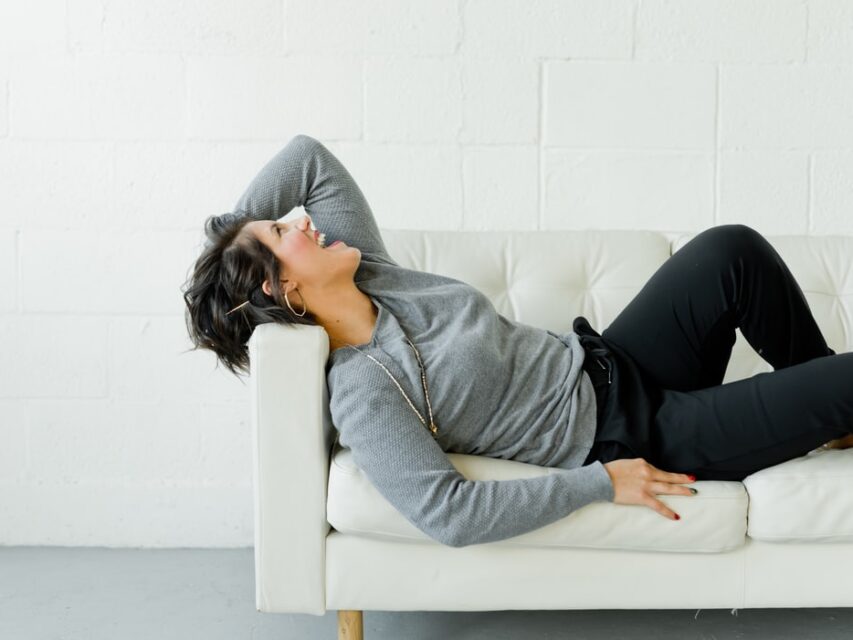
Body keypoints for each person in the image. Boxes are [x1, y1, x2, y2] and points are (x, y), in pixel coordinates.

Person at [181, 134, 853, 548]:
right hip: (636, 436)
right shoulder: (361, 388)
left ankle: (838, 427)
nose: (301, 220)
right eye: (281, 233)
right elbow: (449, 514)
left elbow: (307, 158)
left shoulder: (374, 273)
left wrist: (228, 239)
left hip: (614, 362)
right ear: (283, 288)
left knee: (730, 250)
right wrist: (598, 484)